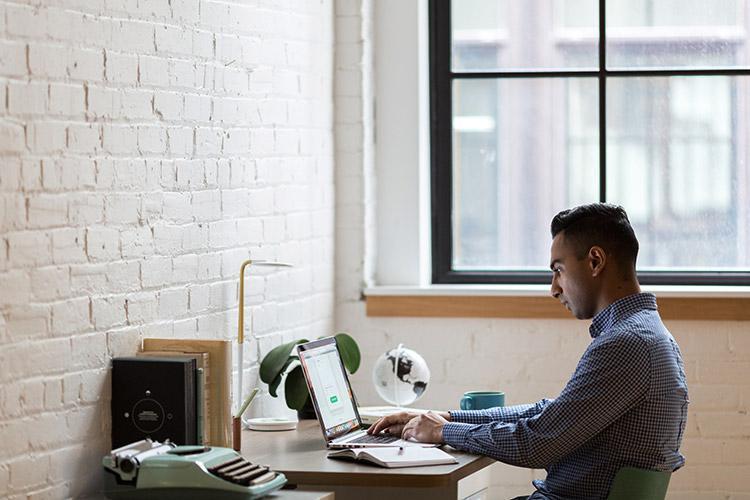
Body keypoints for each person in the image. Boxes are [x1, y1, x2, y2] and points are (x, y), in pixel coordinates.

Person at [368, 203, 689, 500]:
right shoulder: (644, 335)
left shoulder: (626, 344)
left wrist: (444, 432)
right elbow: (550, 413)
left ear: (595, 261)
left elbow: (538, 443)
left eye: (558, 269)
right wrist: (447, 417)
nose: (554, 288)